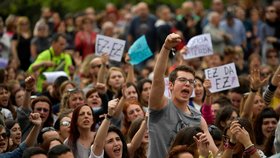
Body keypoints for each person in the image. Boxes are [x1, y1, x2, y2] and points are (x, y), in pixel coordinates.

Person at [148, 33, 218, 158]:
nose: (187, 84)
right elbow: (157, 79)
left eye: (191, 82)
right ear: (170, 85)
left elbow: (216, 154)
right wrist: (166, 48)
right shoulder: (160, 106)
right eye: (182, 80)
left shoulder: (198, 119)